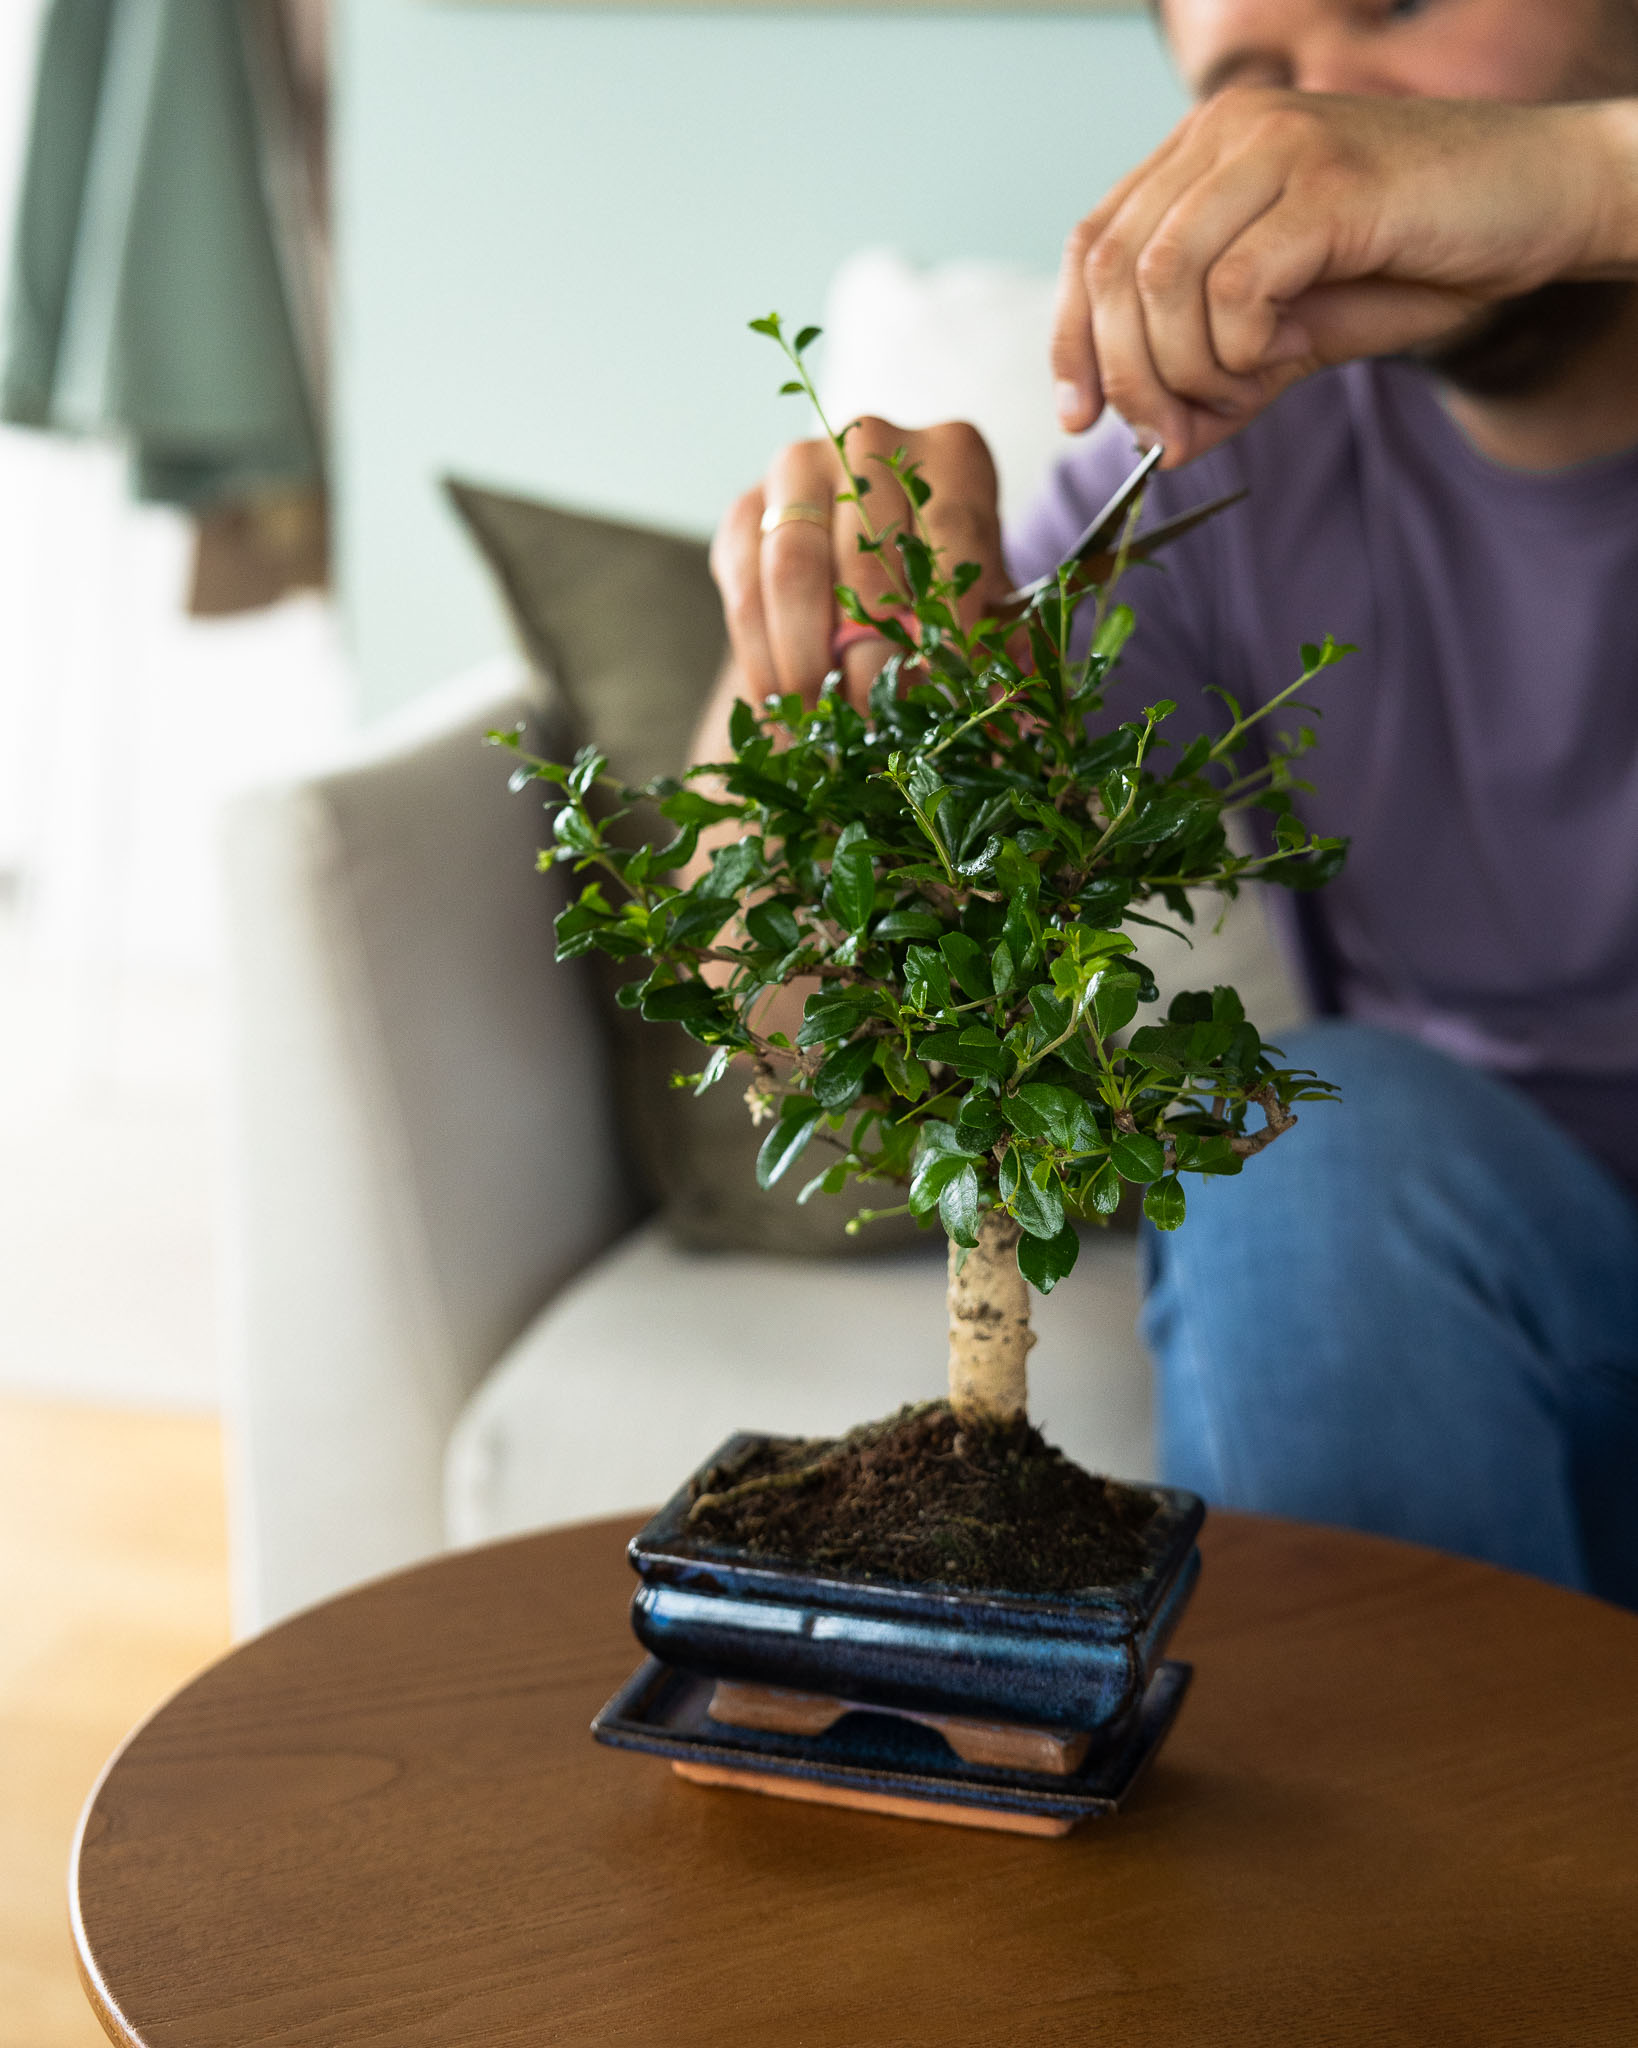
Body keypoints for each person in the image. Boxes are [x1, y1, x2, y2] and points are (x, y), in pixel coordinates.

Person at [703, 0, 1638, 1608]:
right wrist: (822, 688)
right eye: (1248, 85)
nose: (1326, 111)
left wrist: (1579, 178)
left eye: (1396, 5)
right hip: (1472, 1305)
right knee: (1303, 1149)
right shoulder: (1223, 464)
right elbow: (792, 1006)